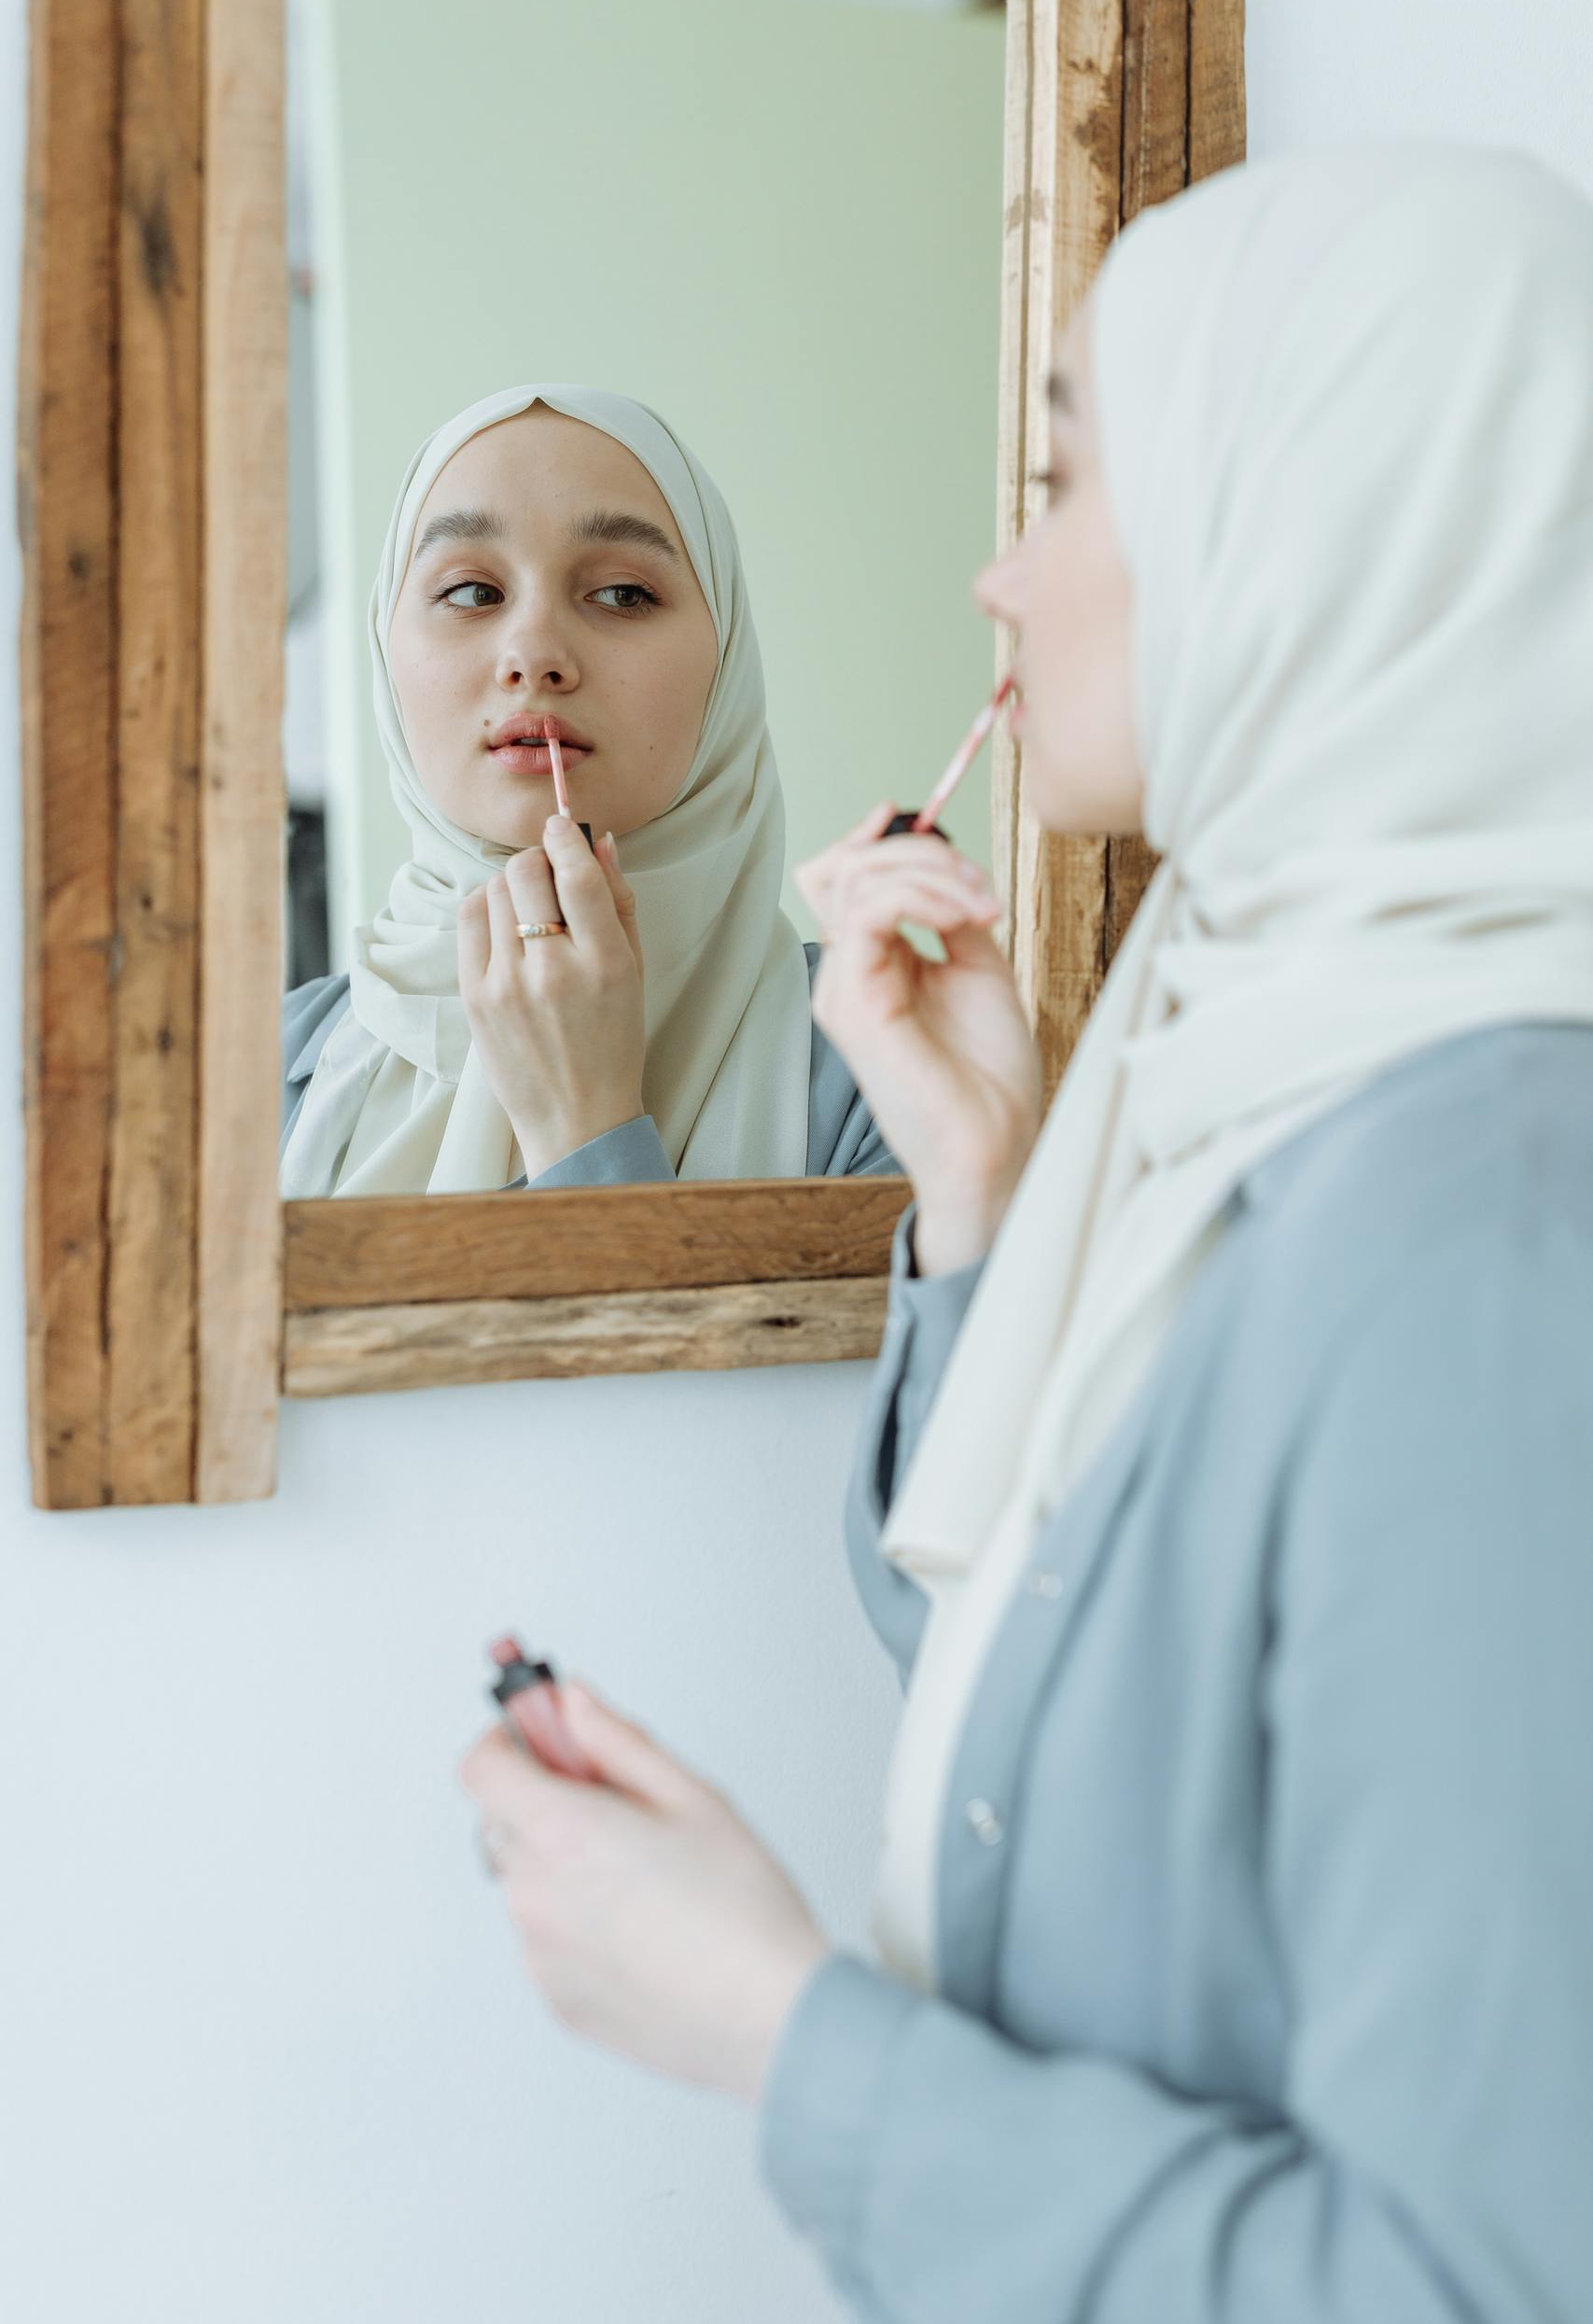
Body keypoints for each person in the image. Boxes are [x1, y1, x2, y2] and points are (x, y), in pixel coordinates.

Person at [459, 143, 1593, 2321]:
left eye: (1072, 477)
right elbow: (1162, 1763)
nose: (998, 578)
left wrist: (775, 2027)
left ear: (1318, 526)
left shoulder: (1485, 1217)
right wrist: (981, 1182)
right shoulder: (1257, 1068)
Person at [280, 385, 893, 1194]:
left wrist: (586, 1126)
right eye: (471, 592)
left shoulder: (885, 1067)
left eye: (622, 594)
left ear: (729, 661)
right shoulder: (259, 1073)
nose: (535, 654)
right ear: (384, 648)